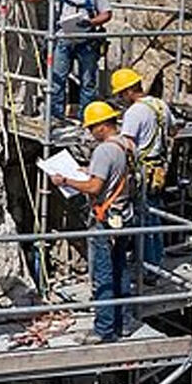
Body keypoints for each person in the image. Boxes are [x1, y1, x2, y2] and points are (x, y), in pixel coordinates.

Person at [48, 101, 136, 344]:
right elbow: (113, 176)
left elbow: (95, 187)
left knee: (103, 275)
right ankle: (124, 323)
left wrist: (66, 179)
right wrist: (88, 169)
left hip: (105, 220)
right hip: (124, 215)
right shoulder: (127, 144)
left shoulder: (104, 151)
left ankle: (104, 330)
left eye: (91, 128)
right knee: (120, 269)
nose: (89, 133)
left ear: (101, 127)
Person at [18, 0, 113, 123]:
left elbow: (106, 14)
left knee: (88, 83)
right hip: (63, 40)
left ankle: (87, 119)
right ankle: (55, 118)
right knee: (56, 80)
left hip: (87, 41)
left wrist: (90, 22)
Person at [112, 67, 172, 274]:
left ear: (129, 91)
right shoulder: (160, 104)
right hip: (158, 169)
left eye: (121, 94)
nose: (120, 98)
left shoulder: (134, 112)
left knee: (144, 219)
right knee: (154, 216)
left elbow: (127, 145)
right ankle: (156, 262)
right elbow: (173, 131)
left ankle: (148, 269)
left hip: (143, 171)